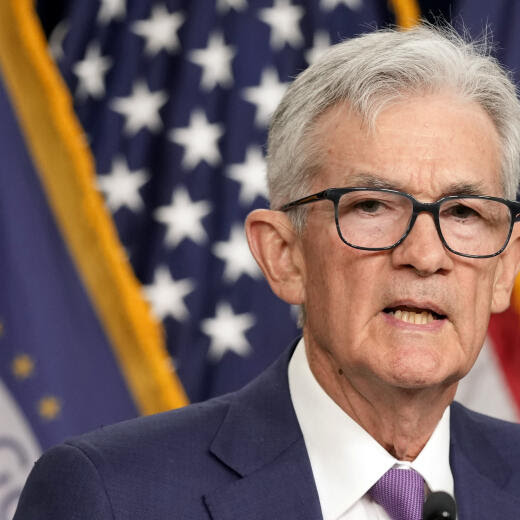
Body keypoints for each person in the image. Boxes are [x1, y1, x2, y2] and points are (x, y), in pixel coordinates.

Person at [14, 24, 520, 519]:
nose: (425, 255)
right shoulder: (110, 498)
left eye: (464, 213)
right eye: (372, 207)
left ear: (504, 268)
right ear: (284, 254)